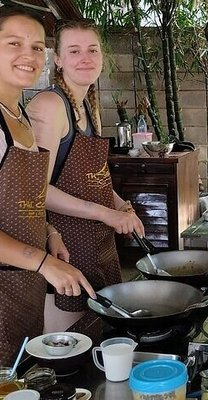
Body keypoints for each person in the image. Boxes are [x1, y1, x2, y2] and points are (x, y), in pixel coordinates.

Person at [27, 19, 145, 332]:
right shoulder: (51, 105)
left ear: (102, 58)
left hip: (97, 243)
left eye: (92, 50)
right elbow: (36, 191)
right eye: (74, 50)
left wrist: (121, 206)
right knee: (68, 345)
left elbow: (96, 176)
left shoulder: (87, 107)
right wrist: (105, 213)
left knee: (97, 332)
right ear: (59, 59)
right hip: (63, 245)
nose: (85, 57)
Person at [0, 5, 95, 365]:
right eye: (14, 43)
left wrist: (48, 229)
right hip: (17, 274)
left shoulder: (19, 115)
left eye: (37, 47)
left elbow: (19, 197)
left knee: (19, 371)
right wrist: (41, 262)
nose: (29, 55)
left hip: (21, 281)